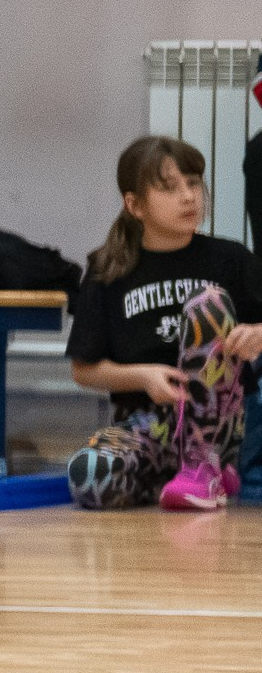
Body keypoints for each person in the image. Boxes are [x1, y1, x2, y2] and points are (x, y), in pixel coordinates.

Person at [66, 136, 262, 511]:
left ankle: (205, 466)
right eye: (170, 188)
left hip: (218, 428)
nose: (188, 197)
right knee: (87, 474)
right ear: (135, 205)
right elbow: (84, 370)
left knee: (208, 304)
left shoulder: (230, 259)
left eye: (193, 184)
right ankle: (177, 481)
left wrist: (259, 334)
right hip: (146, 425)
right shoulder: (108, 268)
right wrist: (144, 377)